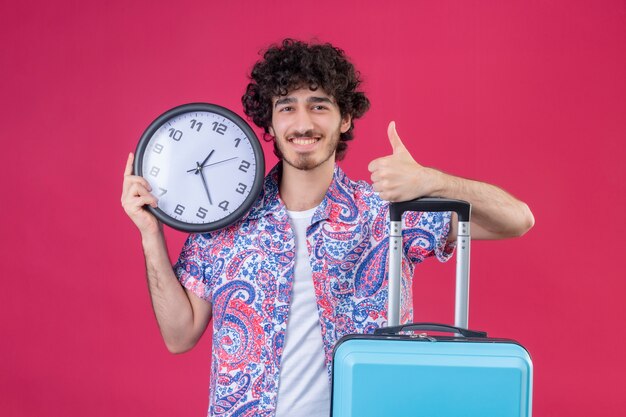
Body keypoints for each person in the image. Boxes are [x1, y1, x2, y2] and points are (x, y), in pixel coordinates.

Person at [121, 39, 534, 417]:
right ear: (269, 123)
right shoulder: (222, 220)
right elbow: (179, 336)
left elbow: (518, 219)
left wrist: (433, 181)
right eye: (287, 107)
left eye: (319, 105)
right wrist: (149, 232)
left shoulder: (385, 214)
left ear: (346, 119)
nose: (303, 124)